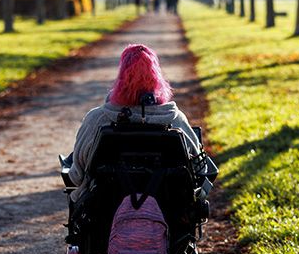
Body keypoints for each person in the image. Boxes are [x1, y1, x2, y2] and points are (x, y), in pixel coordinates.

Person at [66, 44, 202, 204]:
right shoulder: (175, 119)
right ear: (156, 76)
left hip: (105, 209)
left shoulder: (97, 118)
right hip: (169, 207)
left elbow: (77, 176)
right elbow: (200, 170)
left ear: (121, 76)